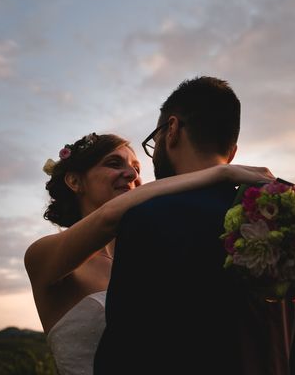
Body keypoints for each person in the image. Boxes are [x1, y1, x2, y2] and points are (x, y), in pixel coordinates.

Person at [94, 76, 295, 375]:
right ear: (232, 153)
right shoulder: (284, 220)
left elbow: (124, 351)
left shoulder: (150, 217)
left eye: (153, 142)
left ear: (171, 130)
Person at [24, 132, 274, 375]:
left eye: (137, 168)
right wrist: (220, 173)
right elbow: (108, 218)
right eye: (114, 163)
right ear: (75, 181)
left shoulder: (146, 257)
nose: (132, 175)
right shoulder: (41, 256)